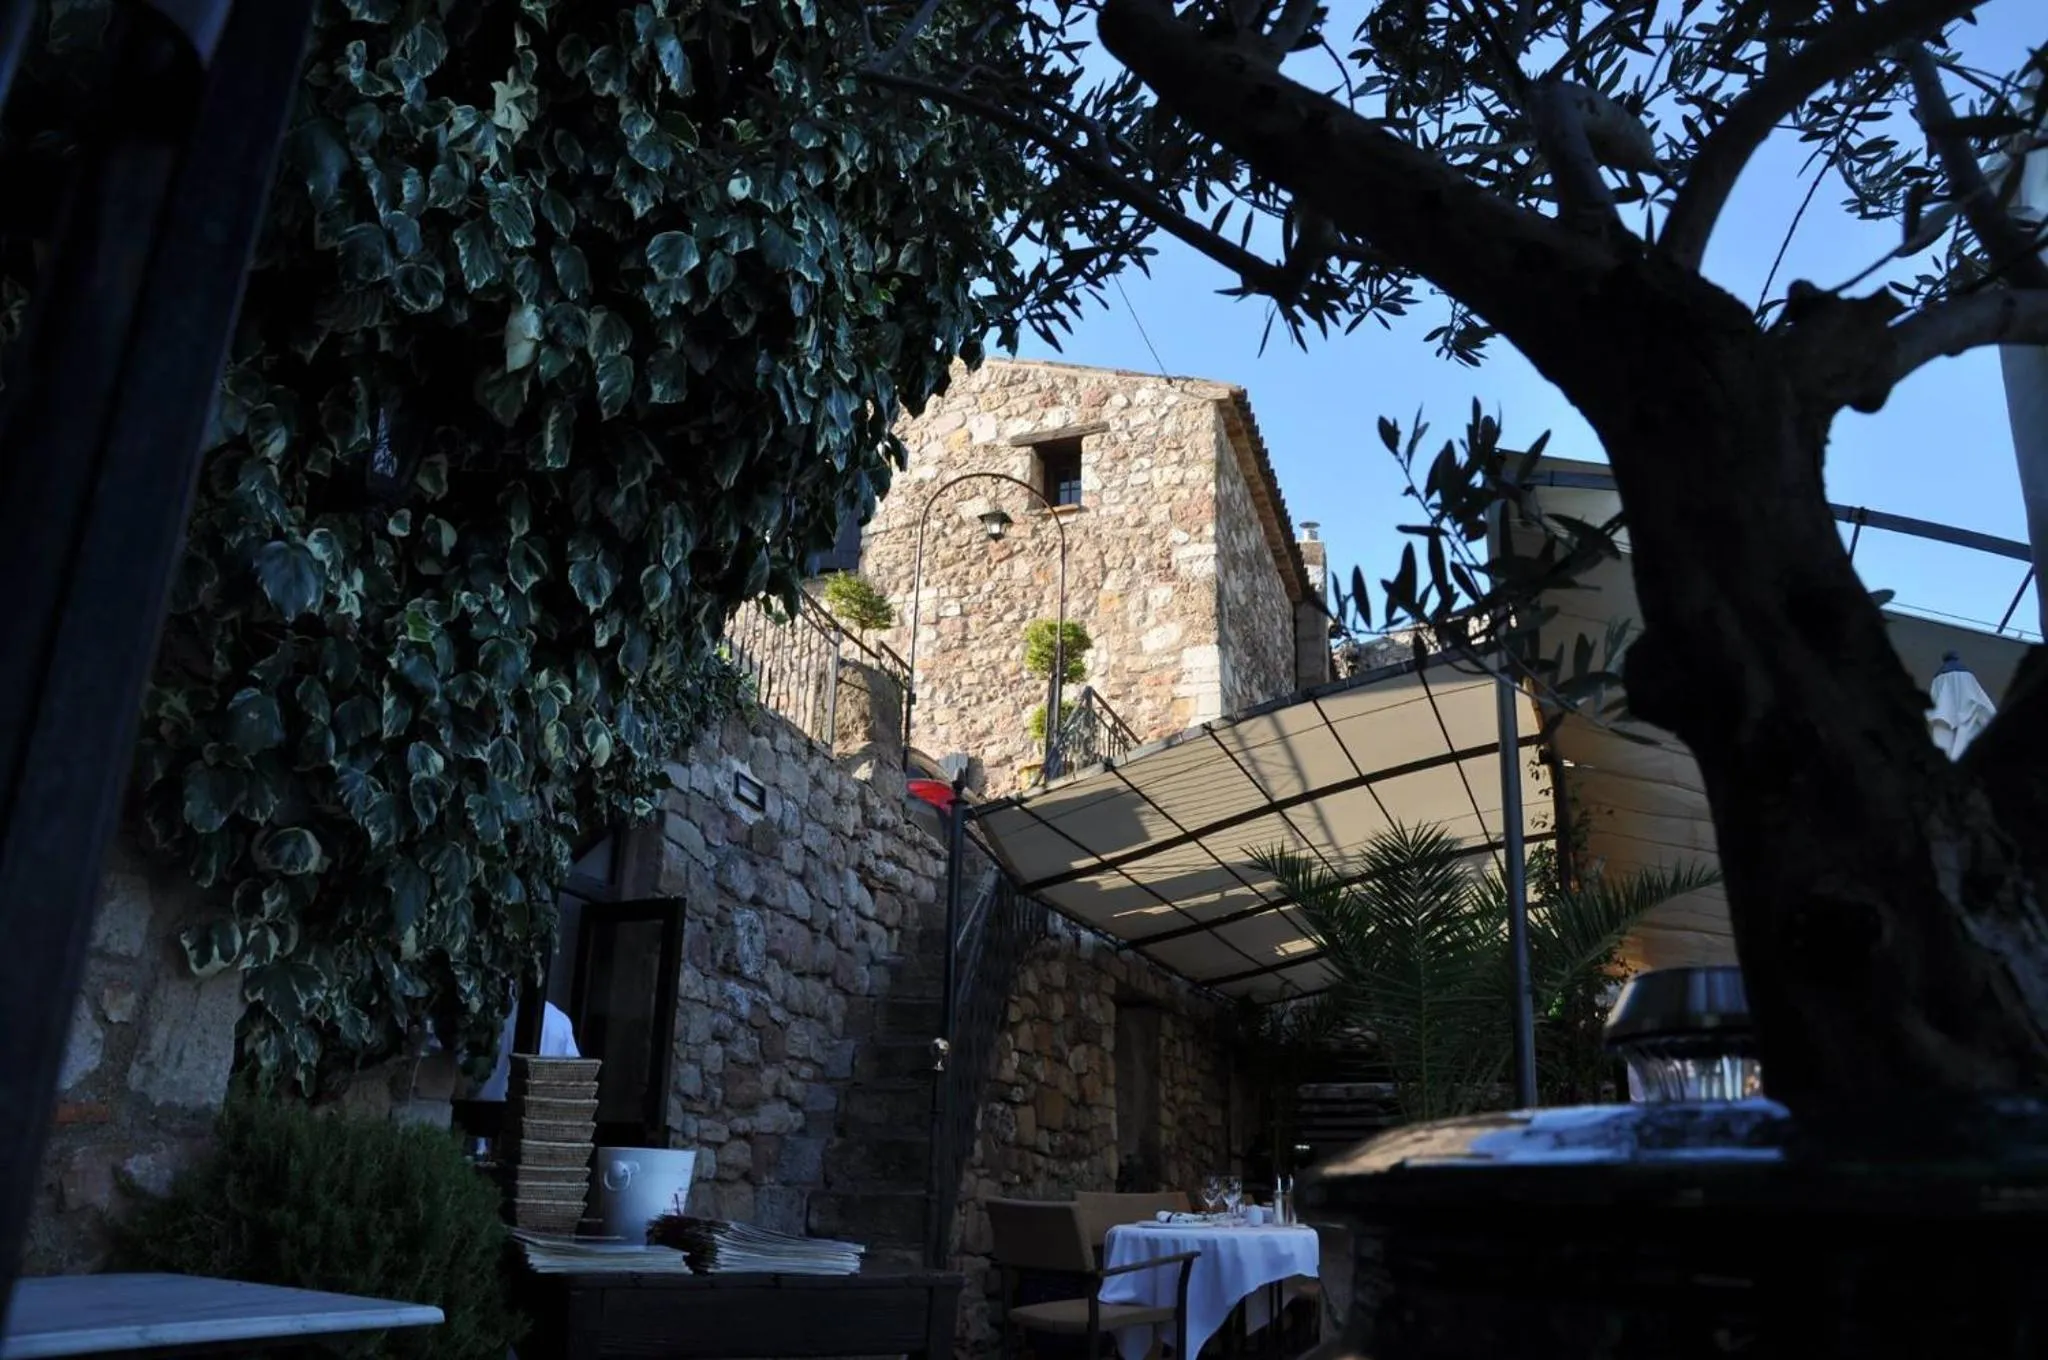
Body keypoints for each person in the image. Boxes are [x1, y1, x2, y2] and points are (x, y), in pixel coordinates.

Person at [473, 998, 581, 1102]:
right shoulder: (560, 1020)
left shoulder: (502, 1016)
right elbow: (574, 1073)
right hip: (541, 1106)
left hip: (493, 1102)